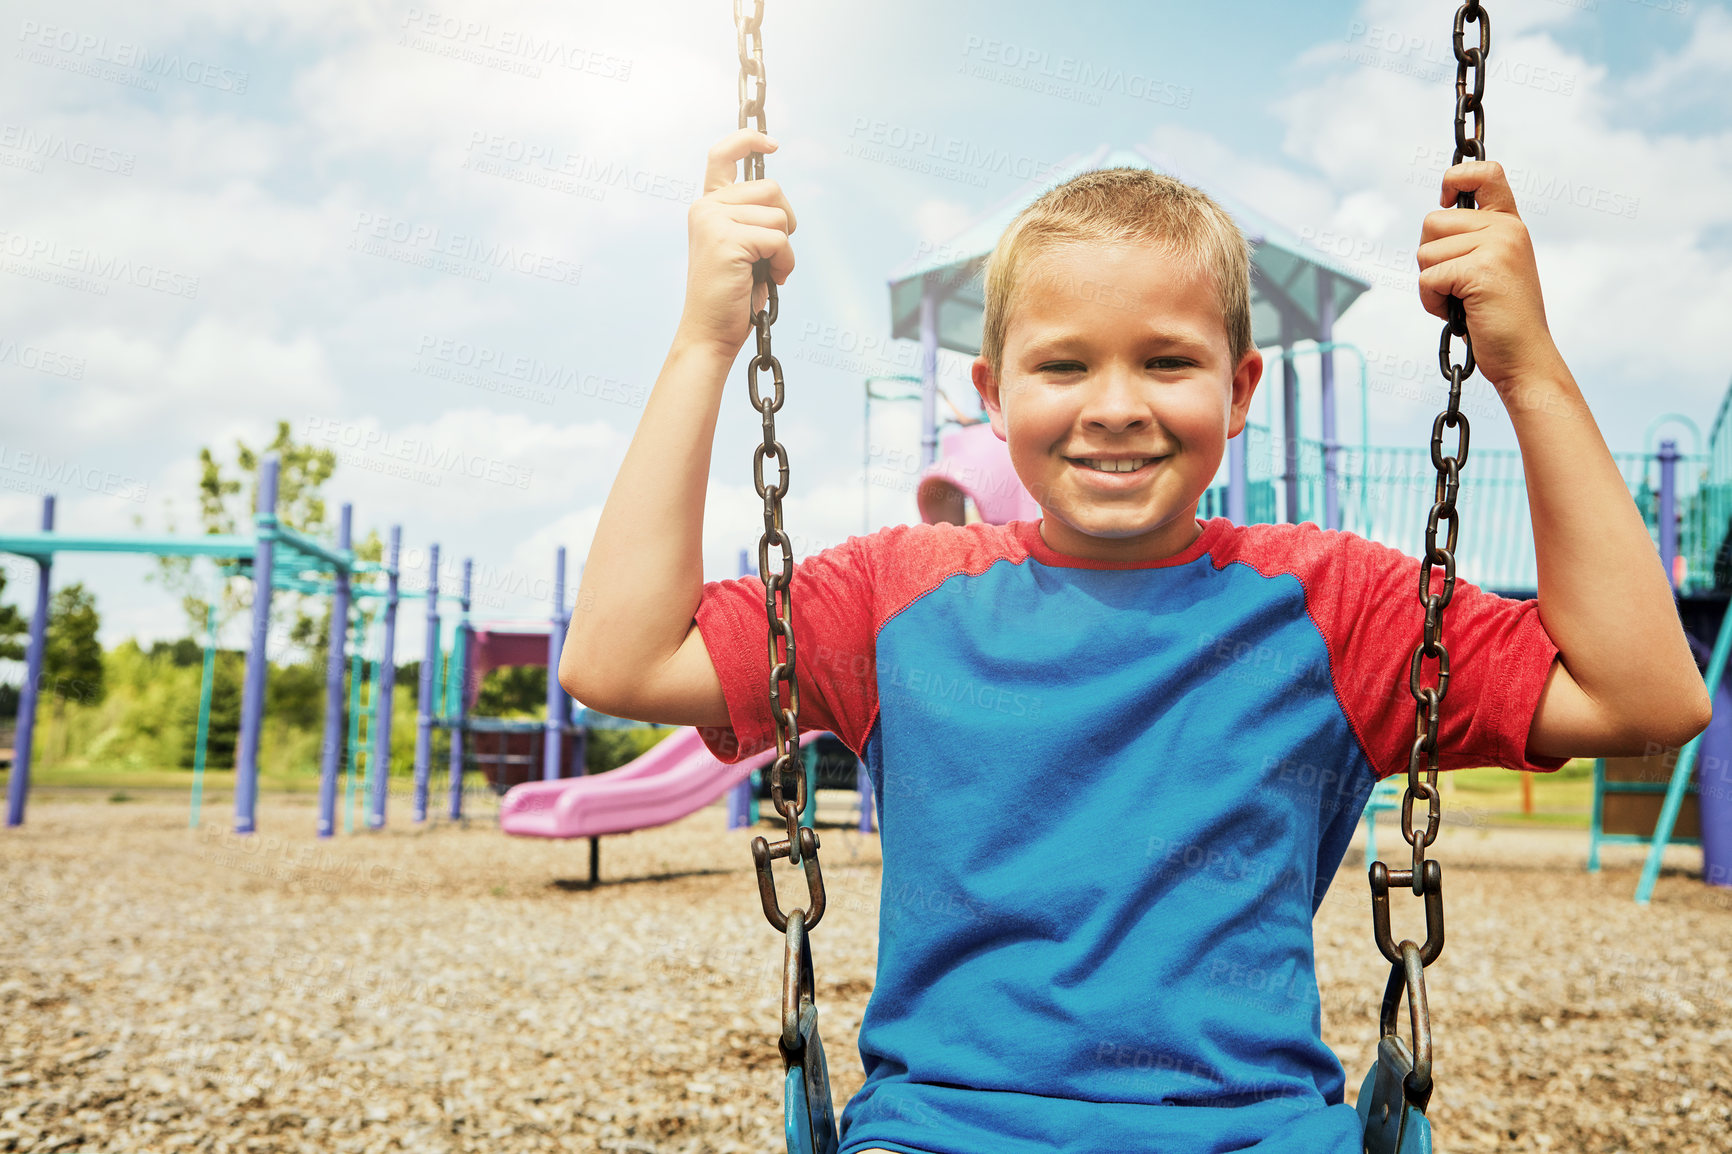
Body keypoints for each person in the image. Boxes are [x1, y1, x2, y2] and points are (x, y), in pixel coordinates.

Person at [560, 129, 1710, 1154]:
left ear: (1240, 385)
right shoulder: (889, 596)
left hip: (1250, 1127)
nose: (1115, 404)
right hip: (944, 1128)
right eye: (1063, 363)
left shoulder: (1332, 604)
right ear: (991, 392)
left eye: (1167, 360)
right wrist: (706, 340)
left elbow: (1642, 696)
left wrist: (1525, 364)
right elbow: (618, 662)